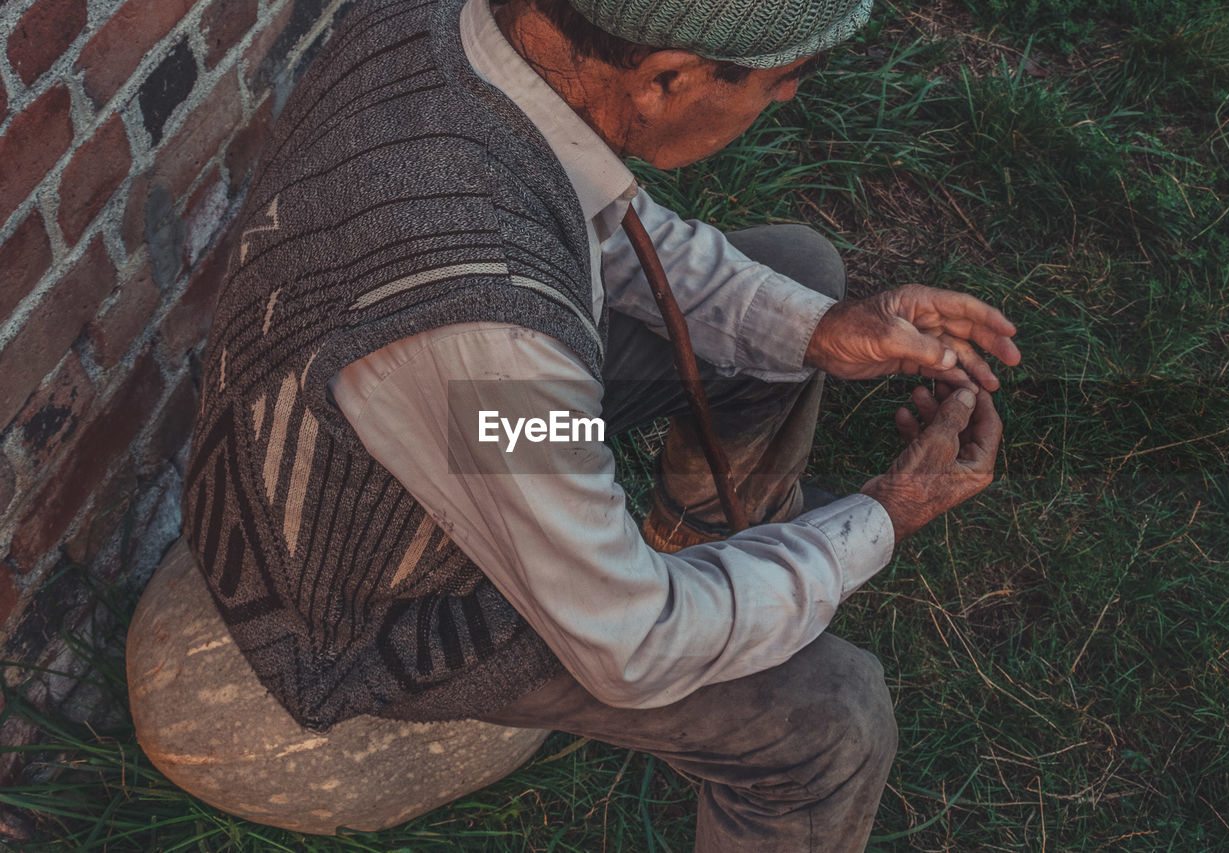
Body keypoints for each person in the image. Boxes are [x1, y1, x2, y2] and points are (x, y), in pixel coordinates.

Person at [172, 0, 1020, 848]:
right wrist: (882, 514)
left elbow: (595, 222)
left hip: (435, 409)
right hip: (381, 589)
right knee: (832, 719)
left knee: (799, 277)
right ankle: (722, 595)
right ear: (663, 79)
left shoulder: (456, 25)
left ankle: (703, 553)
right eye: (786, 77)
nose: (789, 99)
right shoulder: (494, 353)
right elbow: (632, 645)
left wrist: (819, 330)